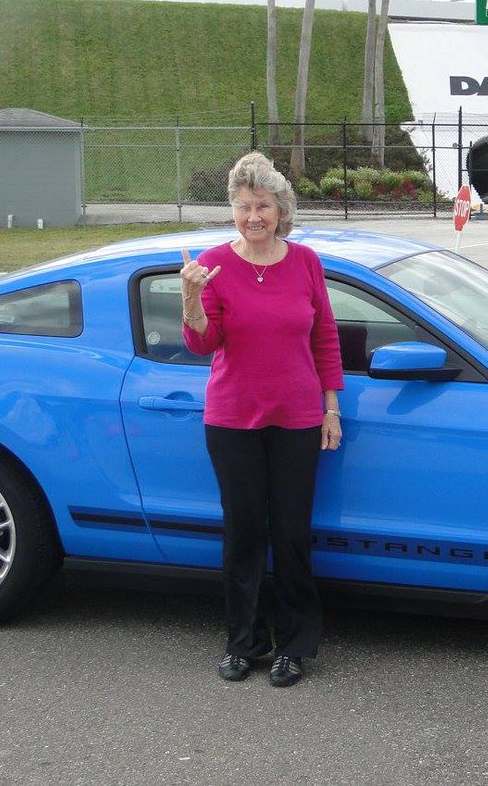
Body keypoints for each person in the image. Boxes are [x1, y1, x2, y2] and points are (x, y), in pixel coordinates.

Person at [180, 151, 343, 688]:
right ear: (234, 210)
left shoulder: (306, 263)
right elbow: (205, 342)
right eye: (245, 206)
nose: (254, 216)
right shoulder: (212, 265)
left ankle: (293, 646)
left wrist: (331, 406)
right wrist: (191, 298)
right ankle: (243, 641)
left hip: (297, 418)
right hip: (232, 421)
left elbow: (324, 338)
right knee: (244, 534)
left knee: (292, 534)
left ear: (281, 210)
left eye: (264, 206)